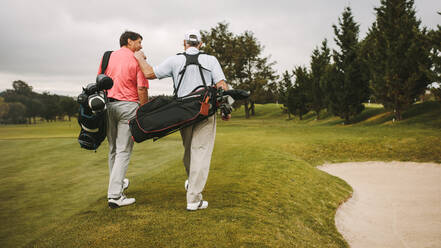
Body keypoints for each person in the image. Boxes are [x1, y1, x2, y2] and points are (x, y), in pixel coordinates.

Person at [134, 29, 229, 211]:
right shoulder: (210, 60)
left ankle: (192, 185)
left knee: (189, 151)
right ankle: (193, 199)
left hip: (183, 113)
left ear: (184, 43)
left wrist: (139, 57)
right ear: (200, 44)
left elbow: (149, 73)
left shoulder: (174, 60)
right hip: (205, 111)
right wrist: (226, 109)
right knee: (200, 151)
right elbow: (222, 85)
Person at [99, 31, 149, 208]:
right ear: (129, 41)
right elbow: (142, 88)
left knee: (113, 149)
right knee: (123, 151)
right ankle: (115, 195)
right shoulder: (137, 59)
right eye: (139, 42)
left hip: (108, 106)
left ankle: (117, 186)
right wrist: (144, 112)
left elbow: (100, 81)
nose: (141, 45)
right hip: (128, 106)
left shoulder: (108, 56)